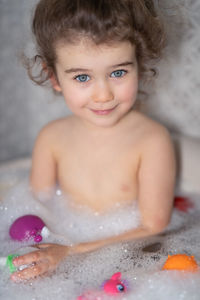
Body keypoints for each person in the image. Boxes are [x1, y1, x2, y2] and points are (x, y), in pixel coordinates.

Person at [11, 0, 176, 282]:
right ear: (55, 78)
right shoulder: (51, 138)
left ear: (139, 64)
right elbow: (37, 207)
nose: (103, 95)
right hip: (69, 255)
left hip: (130, 264)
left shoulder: (152, 141)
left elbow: (153, 226)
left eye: (118, 73)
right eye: (83, 77)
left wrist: (72, 252)